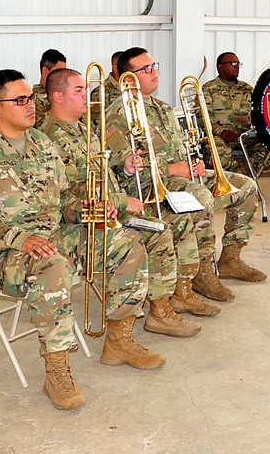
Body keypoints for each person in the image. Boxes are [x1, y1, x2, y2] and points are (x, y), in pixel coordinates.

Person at [0, 69, 163, 412]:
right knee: (54, 265)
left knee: (124, 243)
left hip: (51, 236)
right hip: (1, 252)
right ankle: (57, 370)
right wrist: (21, 238)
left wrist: (88, 209)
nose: (30, 105)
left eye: (30, 98)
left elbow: (62, 200)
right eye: (19, 100)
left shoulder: (42, 144)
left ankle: (119, 341)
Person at [41, 67, 217, 337]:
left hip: (113, 208)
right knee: (159, 232)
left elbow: (99, 174)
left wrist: (124, 168)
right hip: (93, 217)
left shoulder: (82, 128)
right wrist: (123, 202)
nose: (86, 96)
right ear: (58, 96)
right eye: (78, 91)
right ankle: (155, 315)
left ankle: (176, 295)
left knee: (179, 220)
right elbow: (68, 196)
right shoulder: (52, 138)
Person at [103, 47, 266, 303]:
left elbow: (180, 149)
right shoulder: (116, 114)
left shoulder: (163, 108)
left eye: (154, 65)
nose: (153, 71)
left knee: (245, 187)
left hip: (181, 179)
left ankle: (230, 259)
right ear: (129, 77)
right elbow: (120, 166)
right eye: (145, 68)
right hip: (146, 187)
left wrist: (195, 164)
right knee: (200, 198)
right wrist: (170, 169)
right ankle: (200, 272)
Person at [201, 52, 270, 174]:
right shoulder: (208, 89)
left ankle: (242, 174)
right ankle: (238, 178)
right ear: (220, 66)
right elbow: (202, 118)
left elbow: (260, 114)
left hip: (246, 136)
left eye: (238, 64)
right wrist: (222, 132)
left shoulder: (247, 89)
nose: (237, 66)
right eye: (233, 63)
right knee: (216, 153)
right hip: (220, 136)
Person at [32, 49, 67, 129]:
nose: (62, 76)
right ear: (46, 71)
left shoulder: (62, 95)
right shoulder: (32, 99)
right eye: (58, 72)